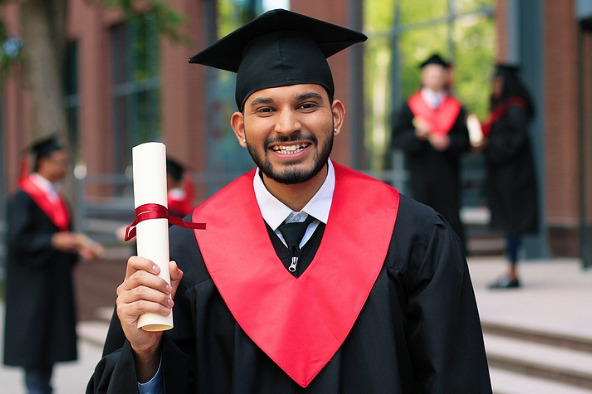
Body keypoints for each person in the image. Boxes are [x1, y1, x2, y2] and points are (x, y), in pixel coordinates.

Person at [87, 9, 491, 393]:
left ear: (335, 115)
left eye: (306, 104)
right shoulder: (187, 255)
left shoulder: (414, 237)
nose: (287, 125)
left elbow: (456, 379)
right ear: (240, 129)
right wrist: (143, 355)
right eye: (266, 109)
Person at [3, 135, 104, 394]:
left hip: (52, 285)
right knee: (35, 351)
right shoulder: (24, 197)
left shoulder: (56, 197)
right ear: (43, 163)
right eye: (60, 162)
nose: (65, 168)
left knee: (46, 348)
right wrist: (54, 241)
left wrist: (78, 250)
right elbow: (18, 240)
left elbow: (61, 238)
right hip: (31, 289)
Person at [391, 53, 471, 255]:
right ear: (424, 78)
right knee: (422, 215)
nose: (435, 79)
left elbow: (465, 141)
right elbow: (397, 139)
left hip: (448, 174)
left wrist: (450, 142)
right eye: (431, 75)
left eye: (439, 75)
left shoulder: (456, 108)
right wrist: (417, 136)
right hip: (421, 173)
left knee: (450, 216)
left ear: (444, 78)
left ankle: (452, 256)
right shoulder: (410, 107)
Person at [482, 64, 539, 289]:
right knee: (510, 223)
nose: (494, 87)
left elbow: (514, 142)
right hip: (505, 175)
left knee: (513, 222)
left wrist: (489, 144)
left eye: (497, 83)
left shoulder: (515, 108)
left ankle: (512, 272)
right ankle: (511, 270)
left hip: (515, 177)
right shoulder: (504, 108)